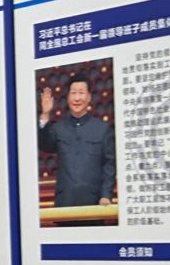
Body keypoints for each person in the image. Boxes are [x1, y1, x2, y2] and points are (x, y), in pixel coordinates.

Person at [38, 73, 116, 207]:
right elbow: (44, 145)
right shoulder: (58, 128)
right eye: (73, 93)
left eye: (81, 93)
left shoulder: (102, 129)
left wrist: (106, 195)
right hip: (64, 201)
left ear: (89, 97)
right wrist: (45, 114)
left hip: (95, 202)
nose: (77, 98)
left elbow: (109, 165)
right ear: (68, 97)